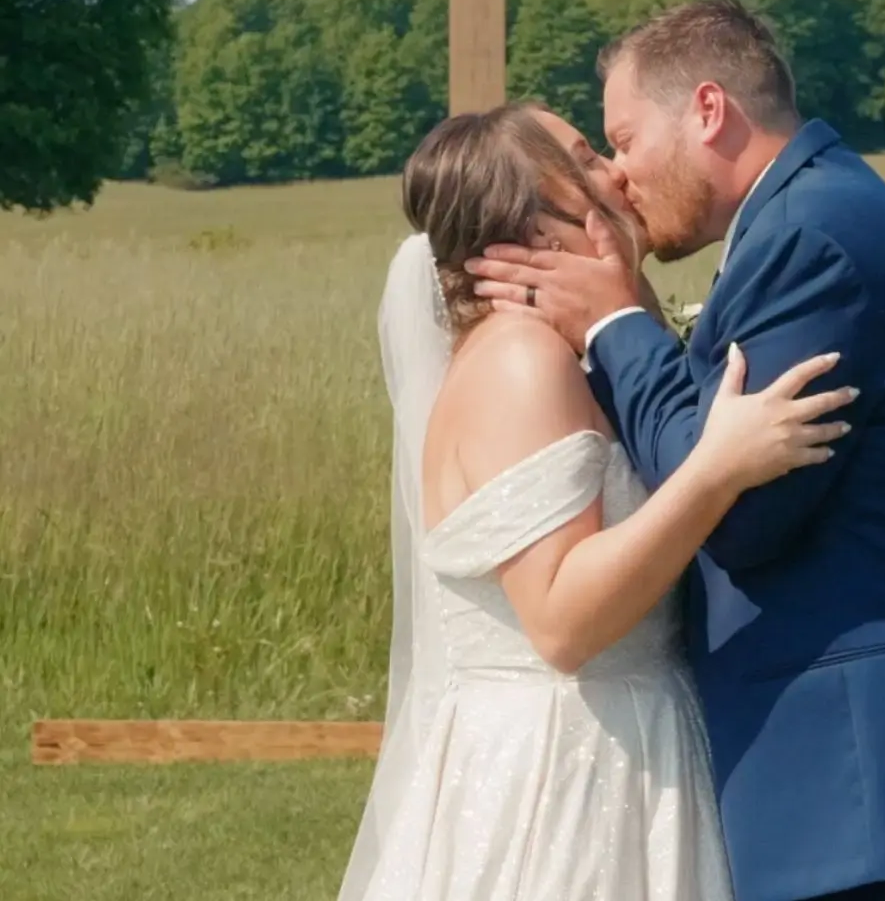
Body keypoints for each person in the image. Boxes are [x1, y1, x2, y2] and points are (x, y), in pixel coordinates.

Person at [466, 0, 885, 901]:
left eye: (626, 141)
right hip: (881, 796)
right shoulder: (804, 216)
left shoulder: (811, 238)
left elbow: (741, 510)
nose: (621, 179)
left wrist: (617, 325)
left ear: (709, 111)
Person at [341, 102, 853, 901]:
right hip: (563, 774)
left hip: (635, 741)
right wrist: (716, 470)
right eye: (584, 157)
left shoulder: (569, 355)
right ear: (533, 228)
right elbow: (561, 621)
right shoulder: (519, 362)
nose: (615, 171)